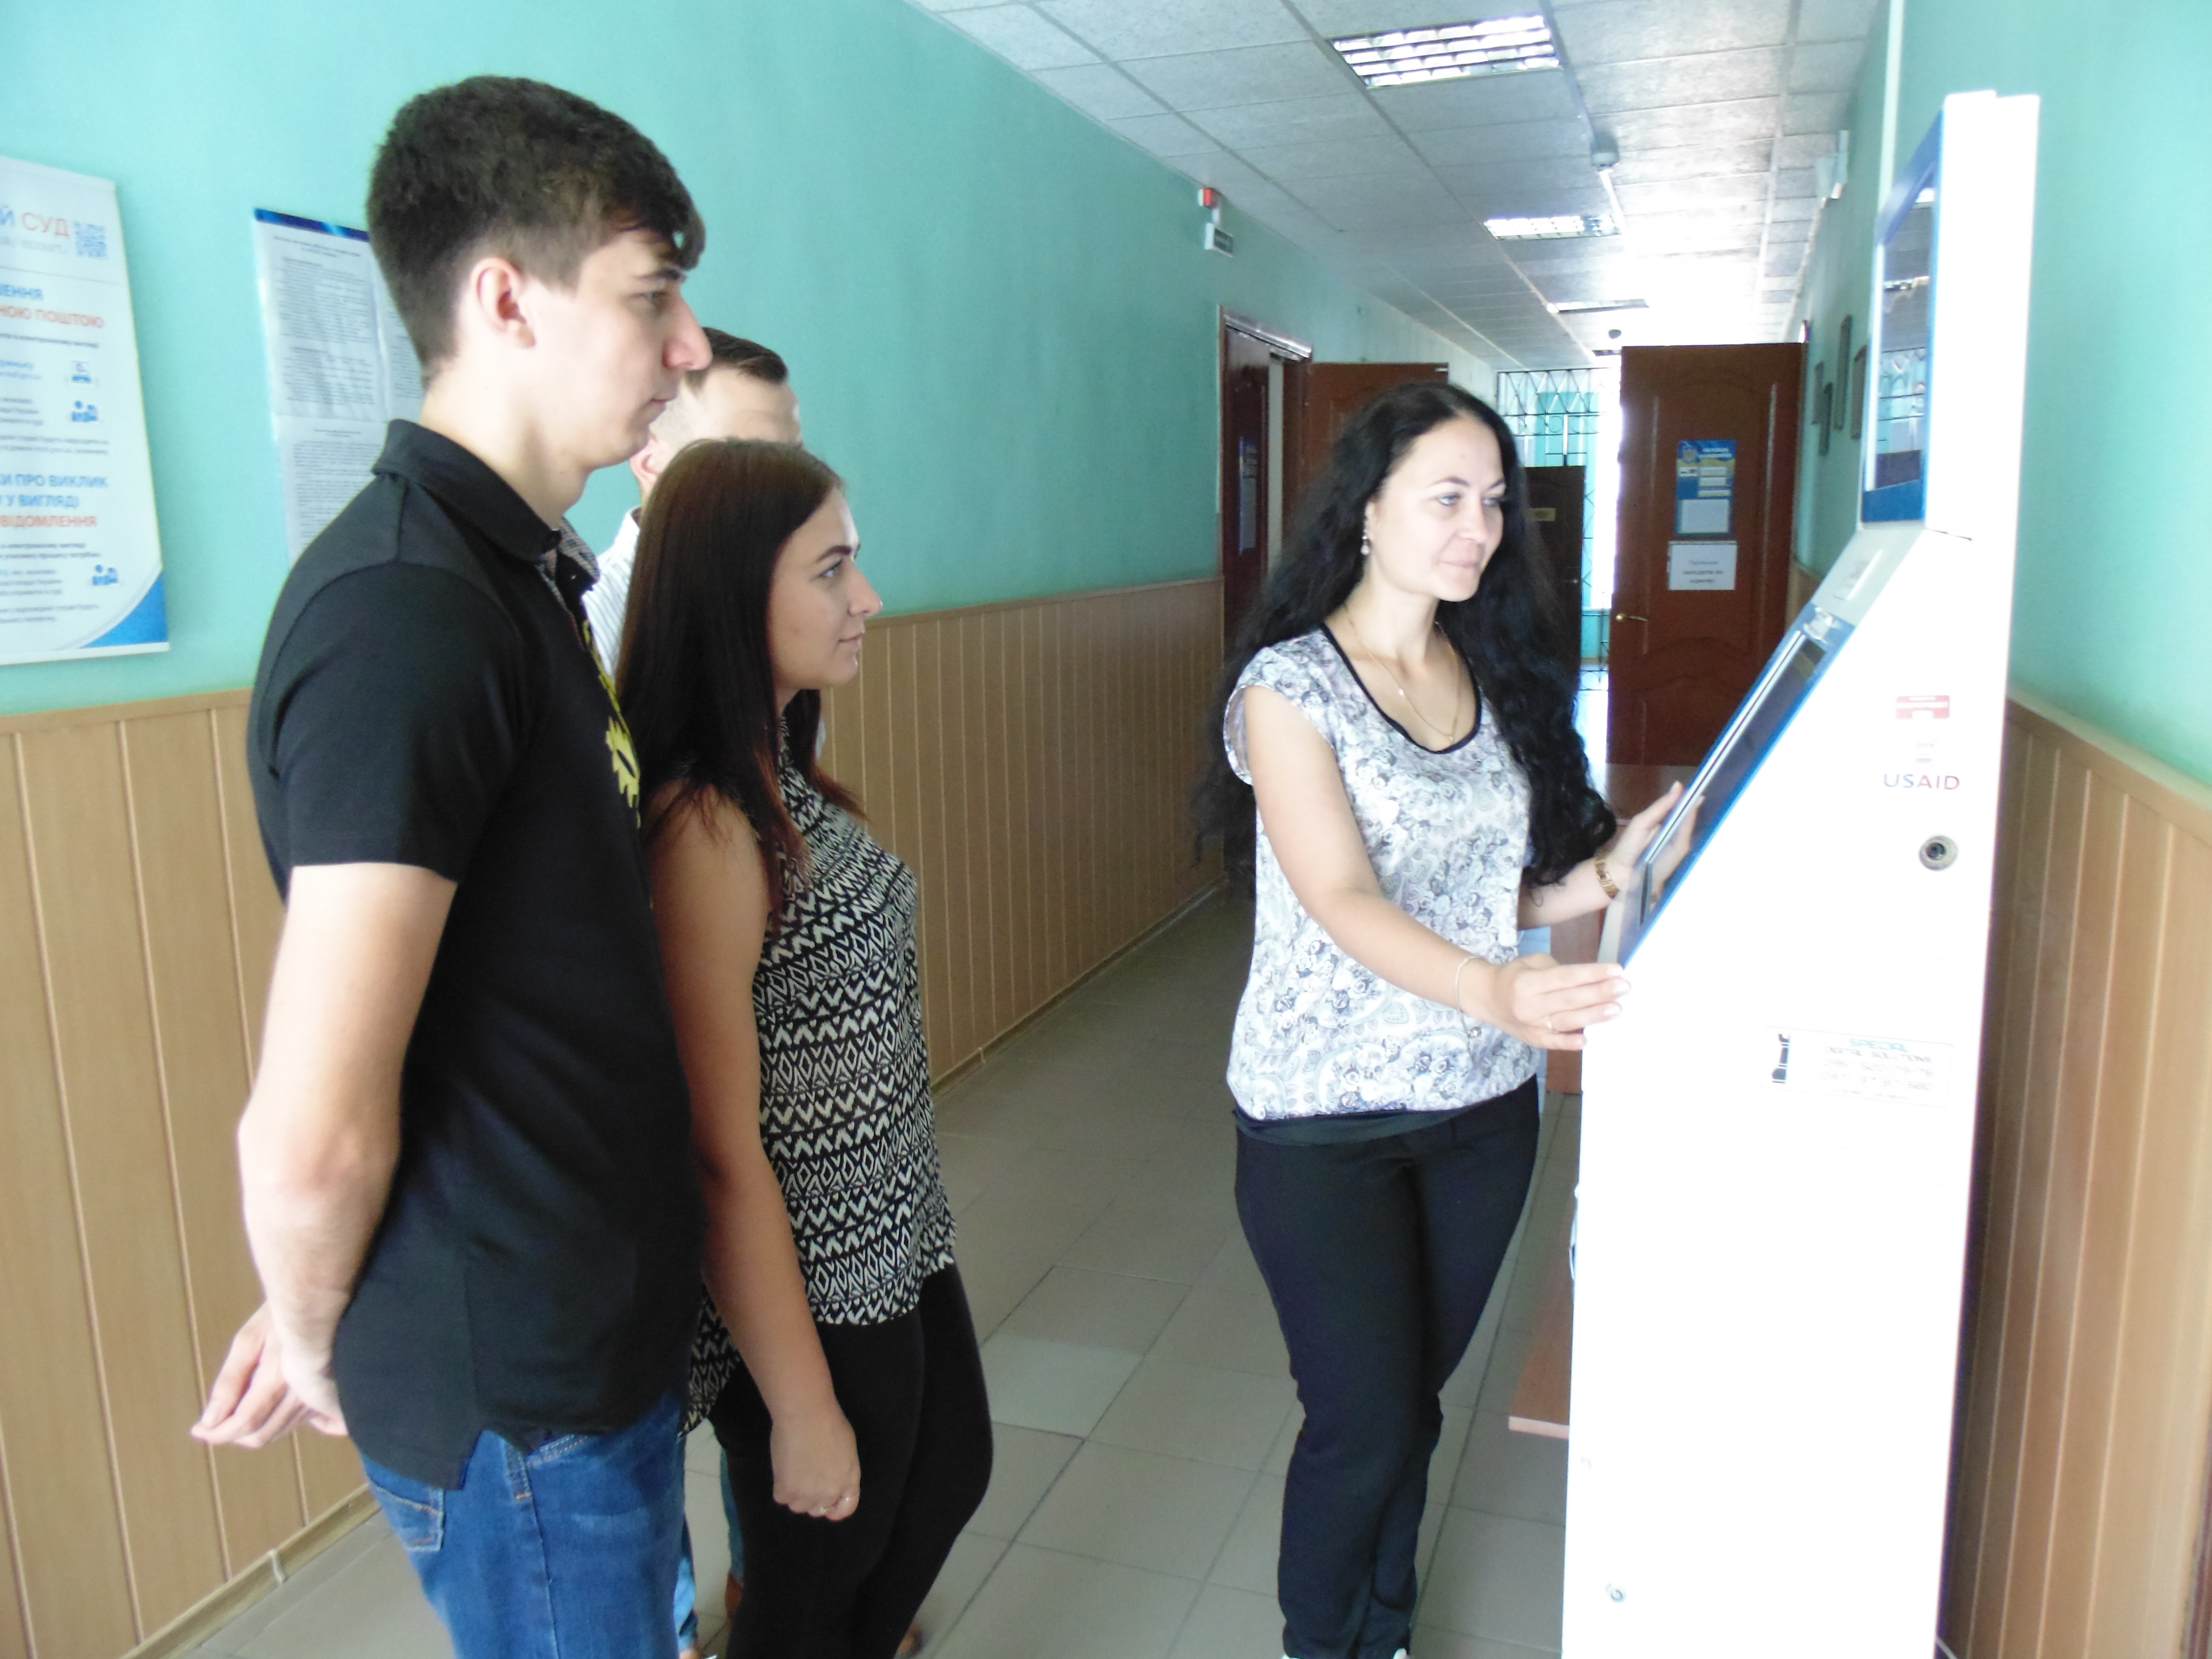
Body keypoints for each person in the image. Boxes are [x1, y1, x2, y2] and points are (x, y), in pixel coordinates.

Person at [190, 76, 712, 1659]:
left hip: (584, 1333)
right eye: (652, 295)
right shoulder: (407, 612)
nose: (687, 346)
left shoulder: (513, 576)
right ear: (505, 300)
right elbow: (307, 1133)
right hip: (526, 1403)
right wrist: (314, 1326)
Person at [1196, 381, 1681, 1659]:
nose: (1481, 527)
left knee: (1409, 1407)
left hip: (1479, 1108)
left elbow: (1481, 894)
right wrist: (1496, 987)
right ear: (1366, 509)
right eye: (1448, 497)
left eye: (1495, 502)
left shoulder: (1486, 668)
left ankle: (1384, 1632)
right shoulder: (1289, 689)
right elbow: (1342, 896)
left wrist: (1603, 876)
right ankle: (1325, 1645)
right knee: (1360, 1423)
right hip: (1322, 1119)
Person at [621, 439, 993, 1659]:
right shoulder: (704, 826)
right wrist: (798, 1404)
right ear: (734, 594)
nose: (866, 598)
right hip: (809, 1269)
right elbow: (716, 1151)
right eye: (831, 570)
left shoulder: (778, 769)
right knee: (815, 1575)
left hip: (891, 1222)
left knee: (946, 1473)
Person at [584, 329, 801, 674]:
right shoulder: (591, 619)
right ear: (650, 462)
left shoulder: (785, 590)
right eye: (748, 457)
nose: (790, 483)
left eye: (795, 457)